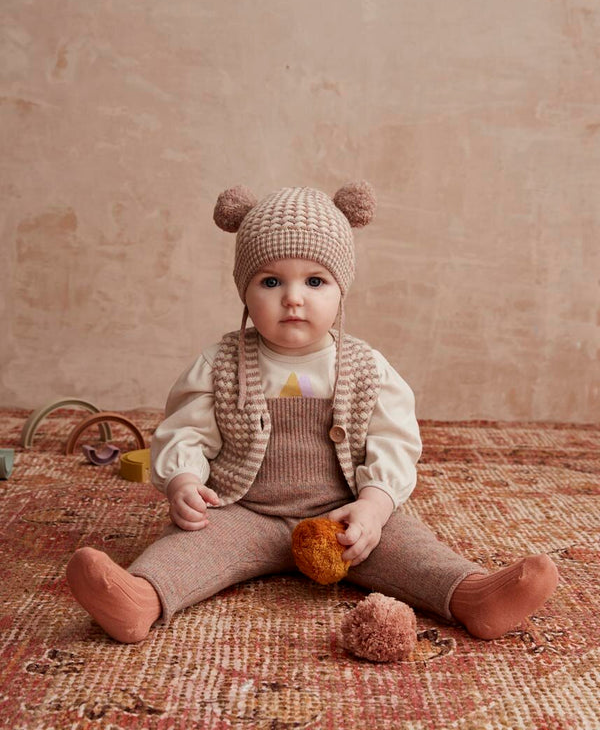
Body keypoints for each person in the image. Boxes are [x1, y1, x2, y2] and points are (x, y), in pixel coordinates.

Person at [66, 182, 558, 644]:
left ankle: (472, 595)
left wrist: (375, 505)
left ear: (342, 289)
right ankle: (140, 598)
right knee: (188, 546)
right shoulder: (219, 365)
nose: (293, 298)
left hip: (343, 512)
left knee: (410, 546)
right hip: (244, 510)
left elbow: (394, 440)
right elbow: (185, 432)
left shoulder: (366, 366)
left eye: (315, 281)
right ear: (244, 290)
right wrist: (184, 482)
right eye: (271, 281)